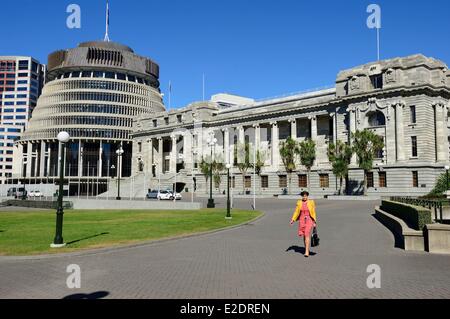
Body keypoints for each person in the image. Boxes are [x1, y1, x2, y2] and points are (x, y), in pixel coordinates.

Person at [290, 191, 317, 257]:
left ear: (307, 196)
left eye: (305, 196)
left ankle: (307, 251)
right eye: (303, 196)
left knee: (307, 233)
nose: (304, 197)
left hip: (309, 219)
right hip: (302, 220)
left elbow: (313, 212)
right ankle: (306, 248)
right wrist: (293, 219)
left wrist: (314, 222)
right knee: (304, 235)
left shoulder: (311, 202)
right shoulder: (299, 202)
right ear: (302, 196)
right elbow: (296, 212)